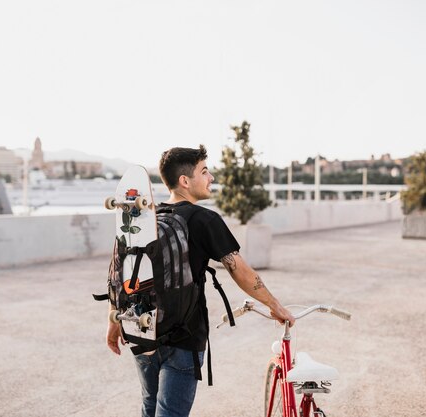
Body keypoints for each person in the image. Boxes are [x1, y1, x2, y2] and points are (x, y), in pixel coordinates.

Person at [106, 145, 295, 417]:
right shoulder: (203, 219)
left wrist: (114, 322)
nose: (211, 178)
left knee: (149, 407)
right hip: (184, 338)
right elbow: (239, 270)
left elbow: (121, 272)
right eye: (204, 171)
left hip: (142, 331)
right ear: (185, 181)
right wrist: (276, 306)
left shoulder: (145, 216)